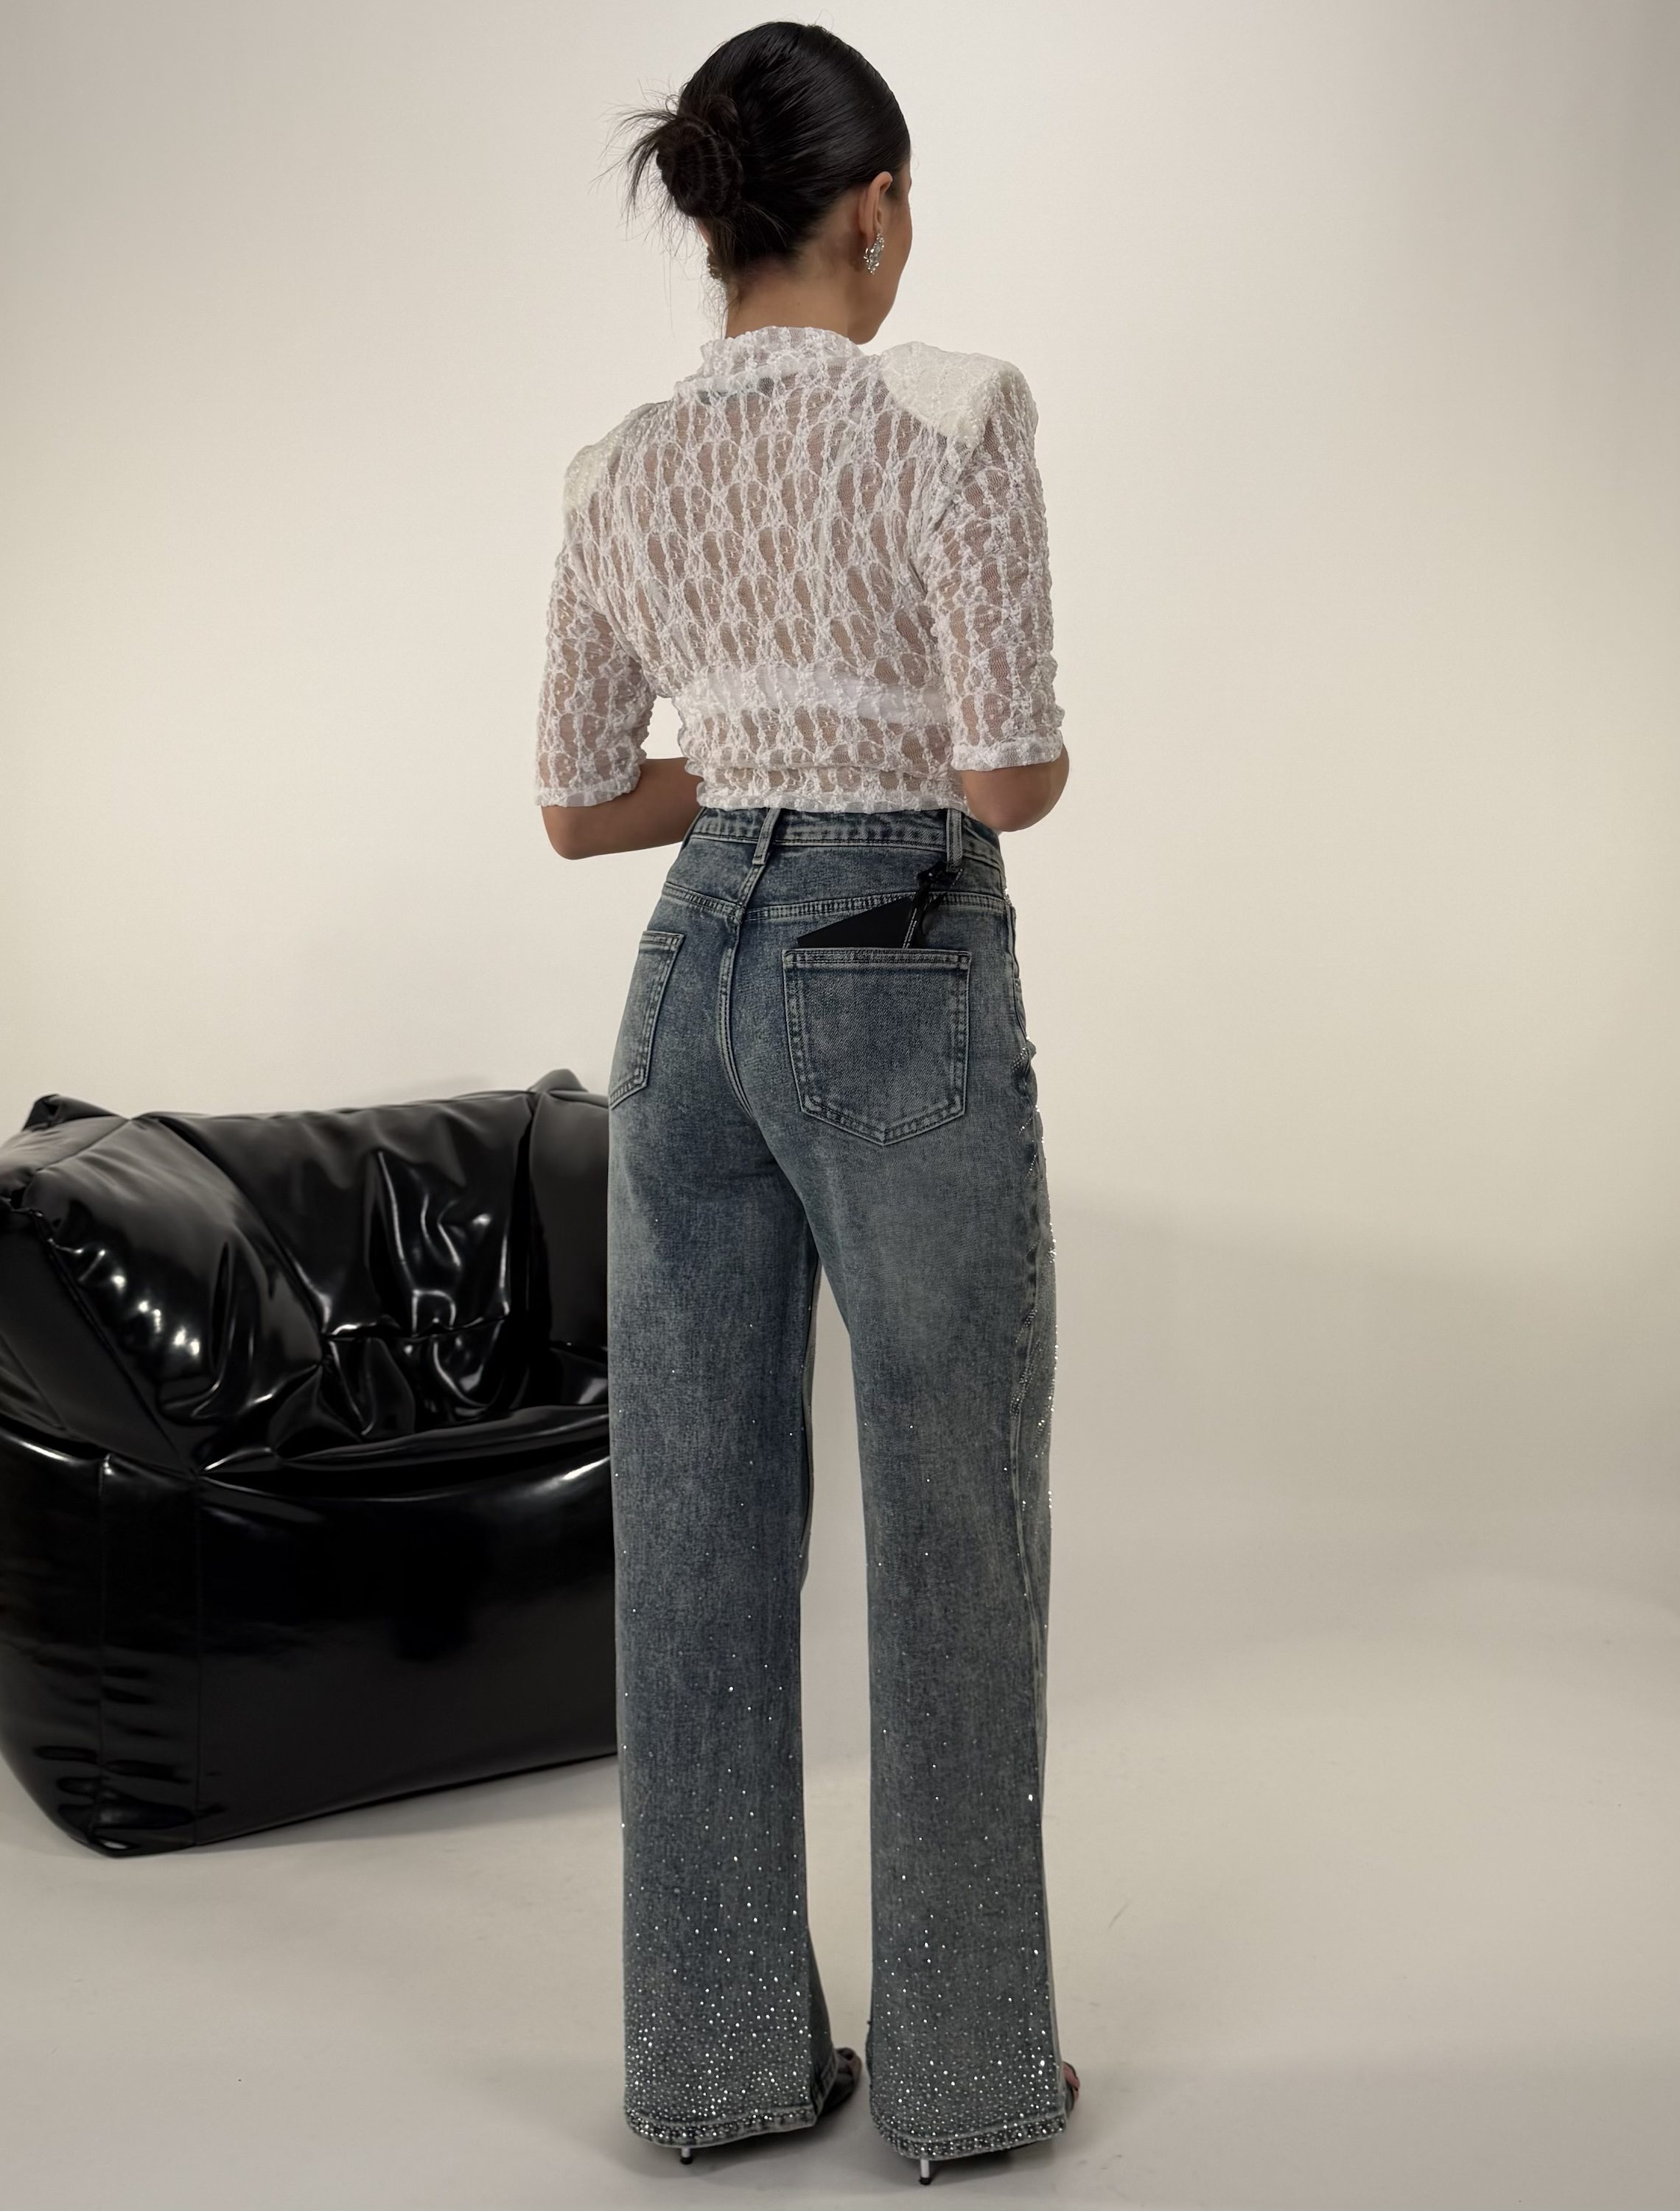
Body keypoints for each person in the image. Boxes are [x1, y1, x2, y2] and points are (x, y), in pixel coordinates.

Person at [535, 21, 1077, 2185]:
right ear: (876, 207)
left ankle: (716, 2071)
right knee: (952, 1519)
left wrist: (753, 763)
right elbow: (1008, 778)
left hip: (690, 981)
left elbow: (581, 805)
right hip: (898, 960)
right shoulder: (955, 412)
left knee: (692, 1530)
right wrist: (883, 754)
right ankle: (966, 2083)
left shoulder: (618, 465)